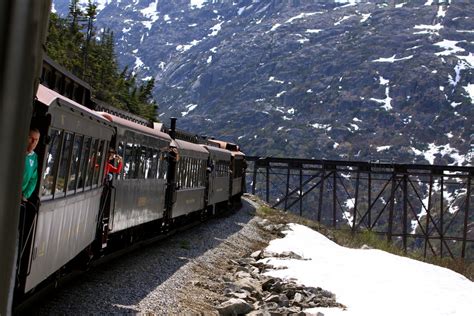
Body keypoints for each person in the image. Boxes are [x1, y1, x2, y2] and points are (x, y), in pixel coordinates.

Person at [22, 128, 40, 201]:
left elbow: (33, 179)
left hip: (20, 196)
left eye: (36, 140)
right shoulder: (16, 150)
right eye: (31, 138)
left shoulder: (34, 157)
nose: (33, 142)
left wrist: (25, 195)